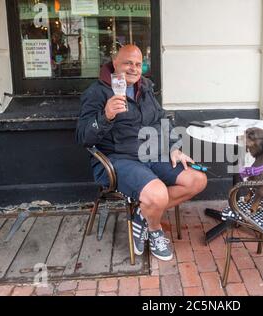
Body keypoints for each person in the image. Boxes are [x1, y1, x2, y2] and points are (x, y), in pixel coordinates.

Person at [76, 45, 207, 261]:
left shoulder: (144, 88)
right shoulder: (96, 93)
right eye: (128, 63)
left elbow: (161, 119)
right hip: (119, 160)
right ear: (114, 63)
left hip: (152, 154)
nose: (134, 68)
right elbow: (83, 138)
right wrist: (105, 116)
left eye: (138, 64)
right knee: (157, 194)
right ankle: (154, 229)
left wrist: (174, 147)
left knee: (197, 180)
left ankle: (141, 215)